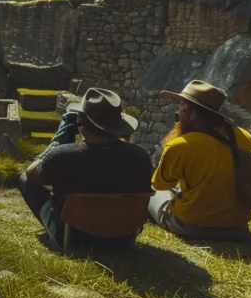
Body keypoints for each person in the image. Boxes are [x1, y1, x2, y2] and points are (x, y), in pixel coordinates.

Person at [17, 88, 153, 249]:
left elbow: (31, 175)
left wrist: (55, 146)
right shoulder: (141, 156)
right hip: (123, 238)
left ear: (82, 125)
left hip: (73, 239)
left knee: (24, 179)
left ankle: (56, 230)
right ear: (118, 126)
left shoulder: (62, 155)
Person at [149, 80, 251, 242]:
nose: (179, 112)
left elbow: (161, 184)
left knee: (153, 192)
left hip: (193, 226)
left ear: (193, 114)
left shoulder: (180, 145)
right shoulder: (245, 137)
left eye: (182, 106)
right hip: (237, 228)